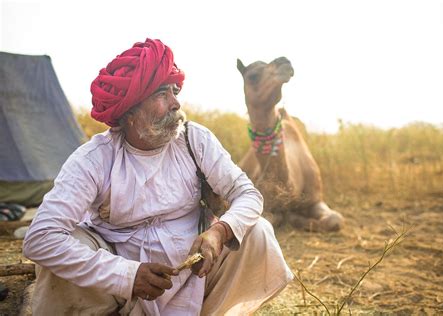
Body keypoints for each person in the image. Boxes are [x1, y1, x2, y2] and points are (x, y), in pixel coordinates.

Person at [23, 38, 293, 315]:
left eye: (174, 91)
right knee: (68, 248)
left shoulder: (194, 140)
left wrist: (219, 231)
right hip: (117, 286)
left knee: (257, 231)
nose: (176, 103)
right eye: (162, 94)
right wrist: (126, 276)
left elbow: (247, 194)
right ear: (130, 112)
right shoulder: (94, 159)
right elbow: (41, 238)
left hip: (196, 274)